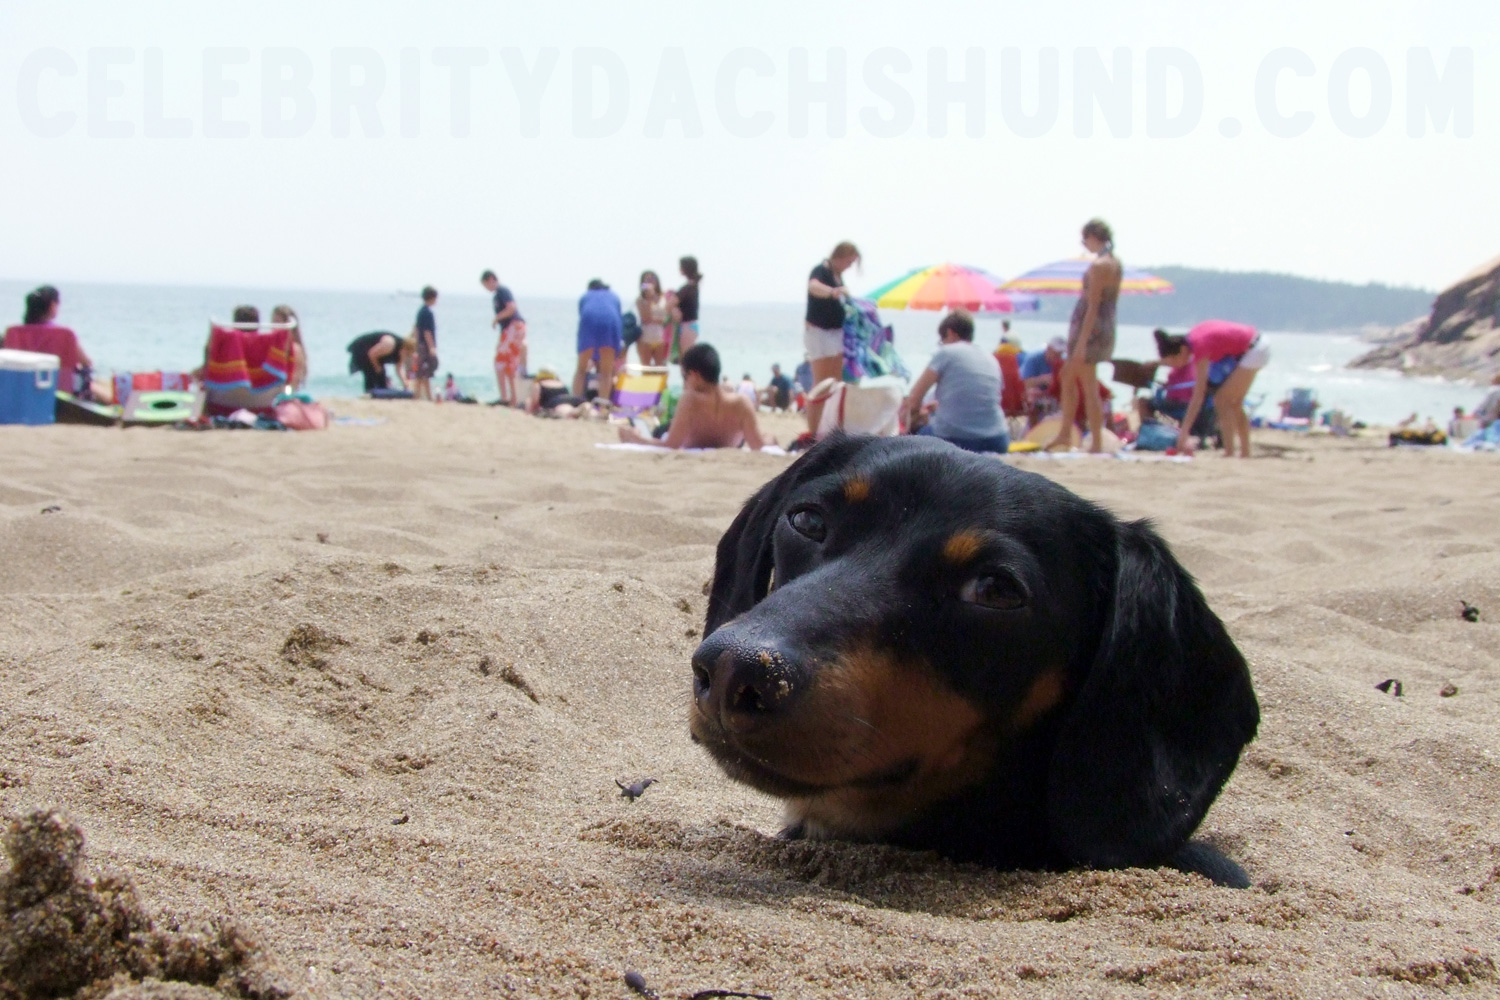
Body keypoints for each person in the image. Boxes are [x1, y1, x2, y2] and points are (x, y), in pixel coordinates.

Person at [1045, 219, 1121, 452]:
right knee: (1071, 377)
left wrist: (1080, 344)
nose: (1083, 244)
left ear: (1092, 237)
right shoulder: (1114, 262)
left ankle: (1089, 440)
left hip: (1091, 331)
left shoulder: (1100, 265)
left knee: (1086, 384)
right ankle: (1067, 433)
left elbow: (1093, 306)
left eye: (1084, 239)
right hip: (1099, 328)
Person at [618, 343, 772, 450]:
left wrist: (635, 439)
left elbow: (670, 446)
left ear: (695, 375)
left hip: (683, 441)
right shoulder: (742, 403)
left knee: (656, 431)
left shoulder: (691, 400)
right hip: (731, 444)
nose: (685, 384)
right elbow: (758, 446)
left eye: (685, 377)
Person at [1154, 320, 1270, 458]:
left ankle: (1230, 452)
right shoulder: (1193, 337)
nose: (1173, 366)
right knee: (1235, 403)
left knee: (1221, 400)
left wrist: (1183, 433)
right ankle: (1244, 452)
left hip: (1254, 349)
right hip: (1256, 345)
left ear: (1182, 351)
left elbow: (1198, 395)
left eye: (1172, 361)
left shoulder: (1199, 346)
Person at [902, 310, 1009, 455]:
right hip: (998, 439)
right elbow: (986, 398)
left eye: (942, 340)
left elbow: (914, 400)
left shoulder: (946, 353)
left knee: (912, 435)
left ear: (951, 333)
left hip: (956, 440)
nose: (942, 344)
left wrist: (911, 418)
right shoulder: (990, 358)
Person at [804, 241, 860, 434]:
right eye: (849, 261)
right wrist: (834, 292)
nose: (850, 266)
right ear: (841, 256)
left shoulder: (838, 277)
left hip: (836, 333)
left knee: (835, 382)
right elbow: (813, 287)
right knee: (821, 383)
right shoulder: (821, 270)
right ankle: (814, 430)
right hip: (820, 331)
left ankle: (828, 428)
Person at [3, 285, 94, 398]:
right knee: (96, 384)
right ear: (52, 306)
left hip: (18, 393)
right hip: (60, 395)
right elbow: (87, 363)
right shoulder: (65, 334)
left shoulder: (12, 332)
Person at [482, 270, 527, 406]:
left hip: (514, 326)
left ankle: (505, 397)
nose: (486, 288)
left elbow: (511, 308)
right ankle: (512, 399)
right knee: (509, 364)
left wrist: (496, 318)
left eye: (485, 284)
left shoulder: (502, 290)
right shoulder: (497, 294)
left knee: (500, 363)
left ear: (491, 279)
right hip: (511, 329)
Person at [575, 279, 622, 404]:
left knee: (581, 369)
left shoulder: (585, 296)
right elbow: (618, 317)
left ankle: (575, 402)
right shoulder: (614, 296)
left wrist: (592, 356)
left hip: (588, 320)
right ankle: (603, 406)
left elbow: (583, 314)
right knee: (606, 372)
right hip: (611, 322)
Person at [635, 271, 671, 366]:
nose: (650, 282)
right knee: (645, 368)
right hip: (645, 337)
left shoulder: (663, 298)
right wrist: (649, 298)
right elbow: (646, 318)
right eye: (647, 280)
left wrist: (657, 319)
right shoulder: (640, 300)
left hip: (660, 338)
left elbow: (665, 318)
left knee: (660, 368)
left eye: (652, 279)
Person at [269, 305, 307, 392]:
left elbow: (292, 383)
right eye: (272, 322)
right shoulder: (273, 346)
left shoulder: (295, 349)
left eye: (277, 322)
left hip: (285, 395)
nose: (273, 327)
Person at [671, 256, 702, 360]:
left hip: (687, 326)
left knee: (686, 359)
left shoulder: (688, 288)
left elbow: (670, 303)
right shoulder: (693, 286)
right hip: (688, 326)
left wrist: (673, 309)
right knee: (684, 358)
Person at [412, 287, 439, 401]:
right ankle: (422, 395)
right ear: (432, 298)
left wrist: (416, 345)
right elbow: (427, 332)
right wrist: (432, 347)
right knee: (425, 372)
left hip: (420, 345)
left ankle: (423, 395)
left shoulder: (420, 311)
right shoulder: (428, 313)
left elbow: (416, 329)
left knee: (422, 373)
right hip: (425, 346)